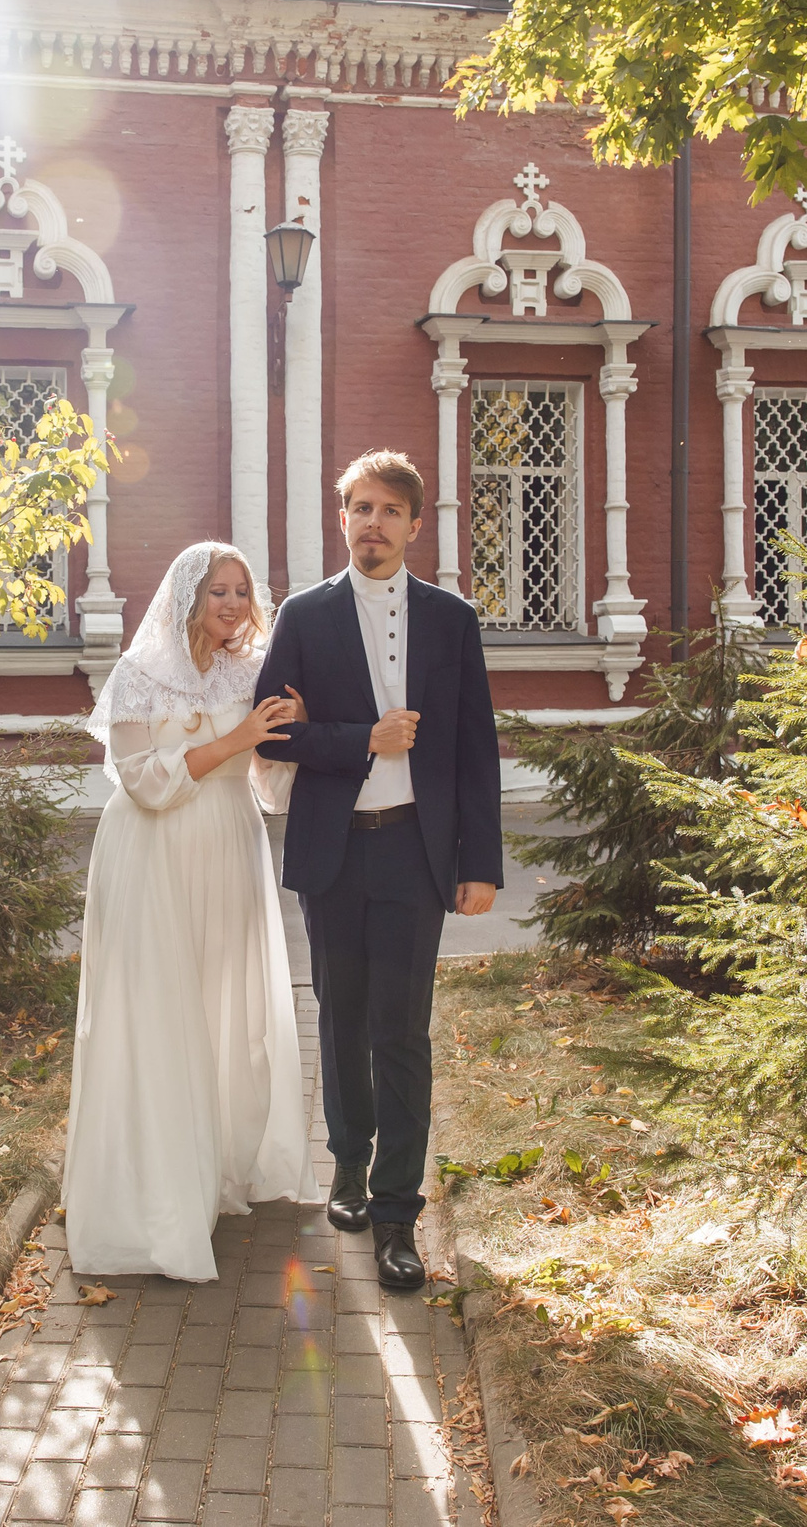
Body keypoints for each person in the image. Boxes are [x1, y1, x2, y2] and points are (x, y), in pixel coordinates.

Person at [253, 451, 502, 1292]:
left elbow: (475, 747)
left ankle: (399, 1211)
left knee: (402, 1030)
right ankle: (348, 1169)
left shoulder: (450, 618)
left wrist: (481, 862)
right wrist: (363, 736)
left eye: (390, 510)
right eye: (360, 507)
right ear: (343, 518)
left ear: (415, 525)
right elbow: (274, 733)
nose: (373, 523)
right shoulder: (304, 614)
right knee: (341, 1016)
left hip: (416, 850)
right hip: (335, 846)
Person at [63, 542, 319, 1281]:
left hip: (230, 850)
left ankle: (216, 1169)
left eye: (243, 590)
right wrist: (234, 738)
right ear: (186, 597)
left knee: (220, 1011)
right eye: (218, 590)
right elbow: (144, 782)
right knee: (158, 1014)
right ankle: (154, 1191)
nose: (234, 603)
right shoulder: (139, 675)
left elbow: (270, 785)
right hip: (151, 855)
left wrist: (289, 734)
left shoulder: (252, 673)